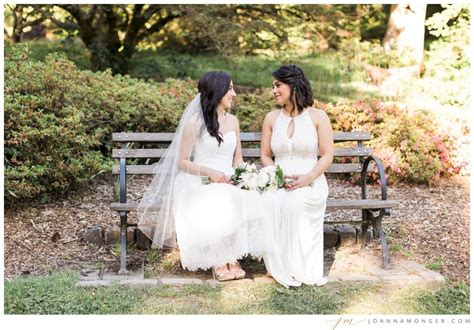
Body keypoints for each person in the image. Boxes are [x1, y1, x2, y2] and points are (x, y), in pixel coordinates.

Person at [138, 71, 266, 281]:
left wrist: (244, 177)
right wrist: (209, 172)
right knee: (218, 198)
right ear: (217, 92)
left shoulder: (233, 121)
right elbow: (182, 162)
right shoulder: (195, 123)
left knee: (242, 196)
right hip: (200, 179)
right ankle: (219, 260)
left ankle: (232, 258)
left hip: (228, 179)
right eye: (230, 89)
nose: (234, 94)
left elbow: (238, 159)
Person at [260, 64, 334, 287]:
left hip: (311, 182)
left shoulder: (318, 116)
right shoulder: (271, 118)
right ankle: (279, 267)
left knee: (296, 203)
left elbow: (327, 154)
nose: (274, 90)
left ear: (293, 85)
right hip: (280, 181)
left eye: (278, 85)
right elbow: (265, 155)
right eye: (273, 86)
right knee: (269, 201)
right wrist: (276, 176)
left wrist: (308, 178)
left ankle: (299, 268)